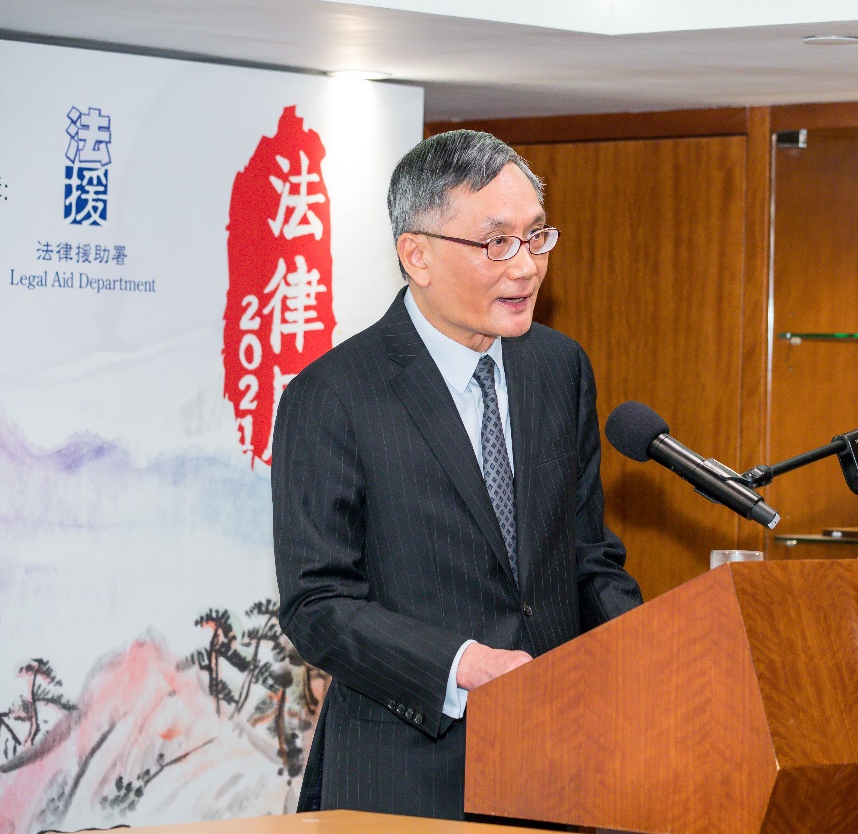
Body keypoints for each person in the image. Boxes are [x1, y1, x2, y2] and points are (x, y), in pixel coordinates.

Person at [271, 129, 643, 820]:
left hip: (555, 765)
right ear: (417, 254)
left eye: (536, 237)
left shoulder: (558, 369)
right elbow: (315, 602)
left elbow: (586, 556)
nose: (526, 267)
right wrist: (460, 663)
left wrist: (656, 652)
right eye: (496, 242)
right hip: (406, 775)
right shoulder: (334, 394)